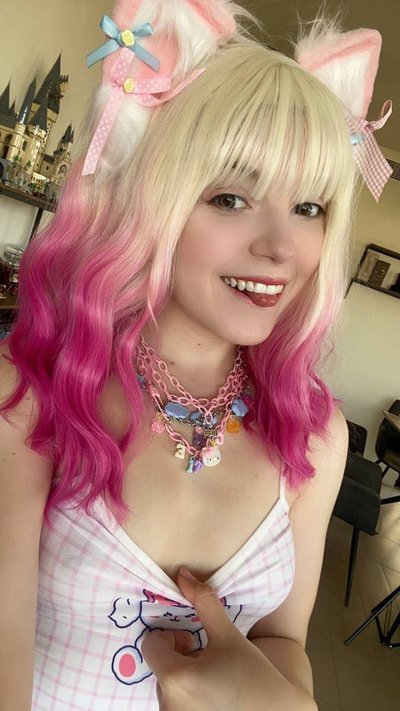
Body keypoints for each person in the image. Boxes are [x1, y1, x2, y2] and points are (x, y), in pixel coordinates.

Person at [0, 1, 392, 709]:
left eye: (309, 207)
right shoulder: (29, 396)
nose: (281, 247)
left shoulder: (315, 435)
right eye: (232, 197)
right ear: (156, 196)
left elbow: (284, 640)